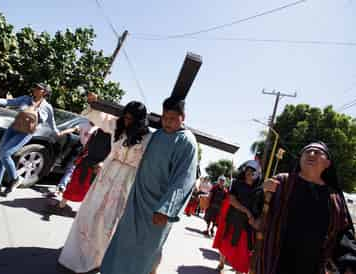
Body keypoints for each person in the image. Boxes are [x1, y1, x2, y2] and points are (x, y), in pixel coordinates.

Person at [100, 95, 198, 274]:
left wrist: (166, 209)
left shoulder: (187, 142)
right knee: (123, 241)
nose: (167, 122)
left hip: (158, 208)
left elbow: (184, 180)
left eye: (173, 119)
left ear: (183, 117)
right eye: (165, 118)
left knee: (145, 251)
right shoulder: (157, 135)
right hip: (137, 200)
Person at [58, 92, 151, 273]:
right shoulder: (118, 126)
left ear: (139, 121)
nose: (126, 121)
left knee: (109, 221)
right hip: (106, 177)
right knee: (90, 213)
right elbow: (99, 117)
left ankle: (99, 258)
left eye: (131, 119)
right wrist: (95, 103)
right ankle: (79, 254)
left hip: (126, 181)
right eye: (125, 117)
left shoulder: (148, 139)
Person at [254, 142, 356, 274]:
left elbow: (342, 234)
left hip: (311, 267)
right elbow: (257, 211)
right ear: (300, 159)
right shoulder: (282, 182)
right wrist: (262, 191)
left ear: (327, 164)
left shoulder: (334, 198)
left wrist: (350, 263)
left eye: (318, 152)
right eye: (307, 151)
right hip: (274, 264)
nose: (311, 154)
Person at [0, 83, 62, 196]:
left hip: (26, 133)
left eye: (39, 88)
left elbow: (52, 124)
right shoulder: (25, 99)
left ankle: (15, 178)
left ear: (45, 92)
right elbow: (8, 102)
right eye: (35, 87)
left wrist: (58, 132)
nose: (35, 89)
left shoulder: (47, 107)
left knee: (5, 154)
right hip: (13, 128)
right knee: (1, 155)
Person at [213, 160, 263, 274]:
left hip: (246, 228)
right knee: (225, 247)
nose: (248, 173)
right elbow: (232, 200)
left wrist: (256, 221)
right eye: (247, 170)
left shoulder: (260, 191)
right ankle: (221, 264)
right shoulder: (237, 184)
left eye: (252, 171)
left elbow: (260, 211)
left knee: (242, 257)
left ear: (257, 174)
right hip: (233, 221)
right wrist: (247, 211)